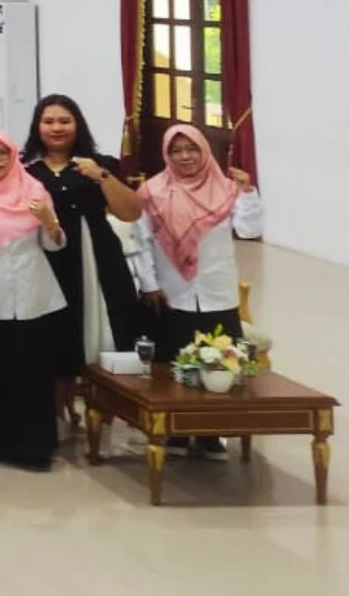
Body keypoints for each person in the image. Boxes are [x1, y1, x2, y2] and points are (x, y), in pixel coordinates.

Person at [18, 94, 145, 414]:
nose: (56, 128)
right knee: (53, 333)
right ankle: (54, 412)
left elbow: (131, 212)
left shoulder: (100, 164)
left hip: (95, 258)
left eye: (64, 121)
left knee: (100, 330)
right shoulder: (24, 170)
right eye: (48, 121)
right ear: (37, 127)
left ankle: (102, 406)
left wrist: (100, 176)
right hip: (45, 259)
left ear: (78, 124)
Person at [0, 132, 67, 470]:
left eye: (2, 153)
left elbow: (53, 245)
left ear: (13, 156)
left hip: (32, 293)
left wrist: (51, 224)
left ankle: (34, 448)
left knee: (32, 375)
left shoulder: (33, 189)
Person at [133, 124, 254, 363]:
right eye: (176, 150)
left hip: (217, 291)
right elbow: (141, 242)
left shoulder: (228, 189)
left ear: (205, 150)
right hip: (170, 295)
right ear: (167, 154)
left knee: (222, 366)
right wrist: (149, 285)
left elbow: (249, 230)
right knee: (168, 371)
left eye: (192, 149)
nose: (185, 156)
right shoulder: (151, 192)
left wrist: (247, 193)